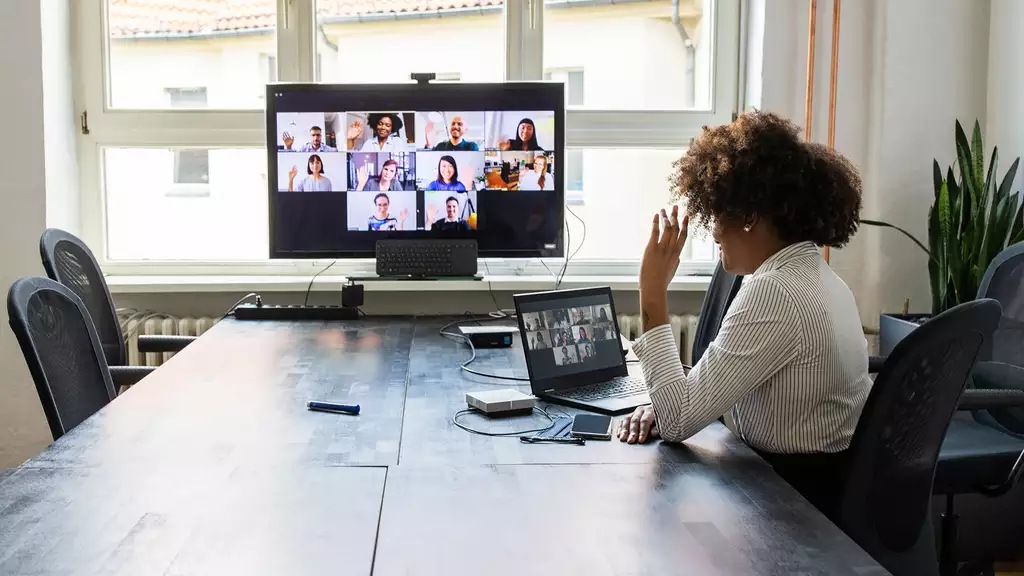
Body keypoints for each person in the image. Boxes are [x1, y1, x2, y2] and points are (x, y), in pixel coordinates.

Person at [616, 110, 870, 522]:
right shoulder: (813, 273)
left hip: (786, 505)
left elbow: (678, 419)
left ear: (750, 216)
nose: (713, 231)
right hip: (806, 485)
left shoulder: (776, 293)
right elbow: (694, 400)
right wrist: (669, 400)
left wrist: (652, 294)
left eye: (718, 214)